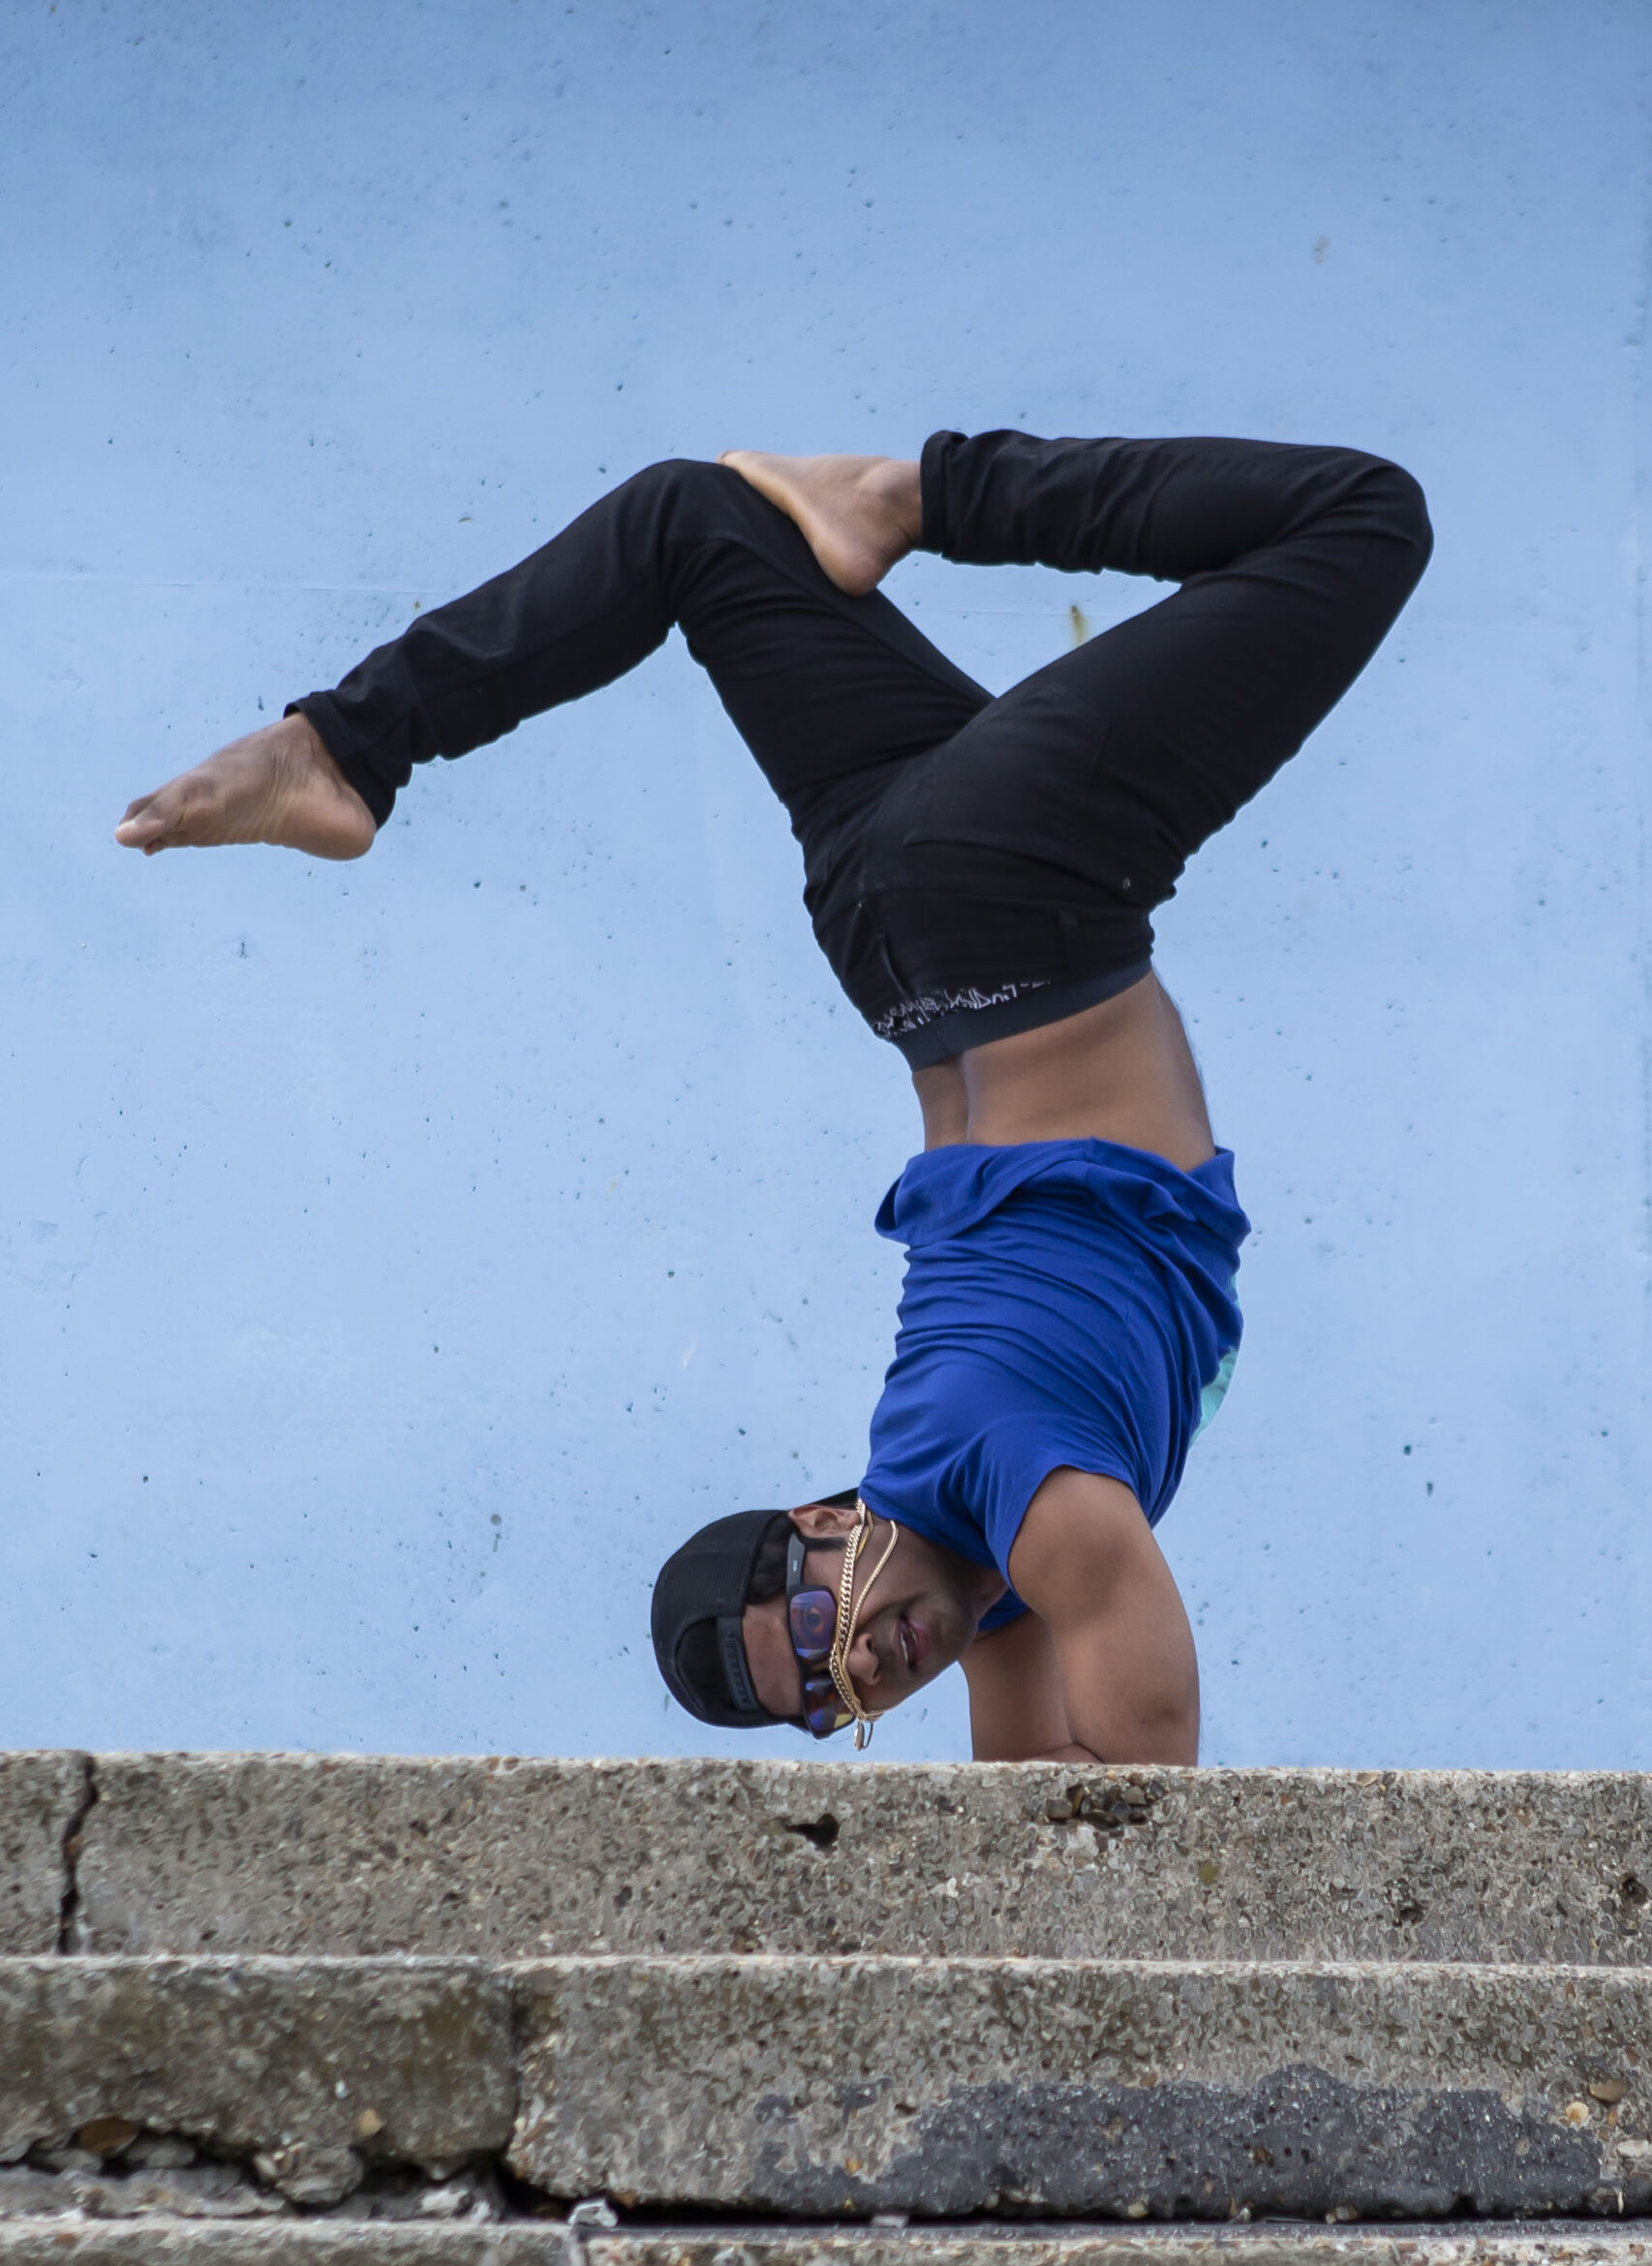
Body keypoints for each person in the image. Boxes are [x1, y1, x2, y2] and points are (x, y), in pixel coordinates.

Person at [116, 427, 1431, 1765]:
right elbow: (1028, 1819)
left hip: (1018, 897)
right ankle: (342, 748)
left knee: (1360, 518)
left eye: (815, 1624)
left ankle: (921, 493)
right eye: (824, 1697)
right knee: (694, 523)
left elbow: (1141, 1786)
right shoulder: (992, 1566)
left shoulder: (1030, 1492)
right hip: (888, 929)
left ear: (825, 1524)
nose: (857, 1661)